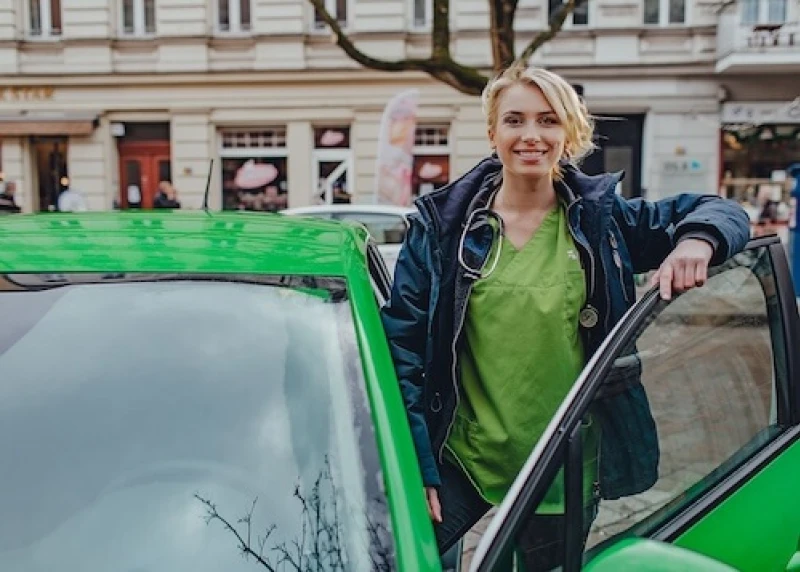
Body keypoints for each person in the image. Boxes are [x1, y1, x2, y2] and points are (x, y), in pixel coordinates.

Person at [380, 65, 750, 569]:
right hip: (461, 461)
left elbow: (720, 209)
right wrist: (416, 463)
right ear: (493, 133)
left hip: (560, 468)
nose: (531, 135)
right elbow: (401, 348)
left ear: (569, 133)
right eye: (515, 120)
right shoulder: (444, 229)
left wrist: (698, 241)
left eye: (548, 120)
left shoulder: (603, 222)